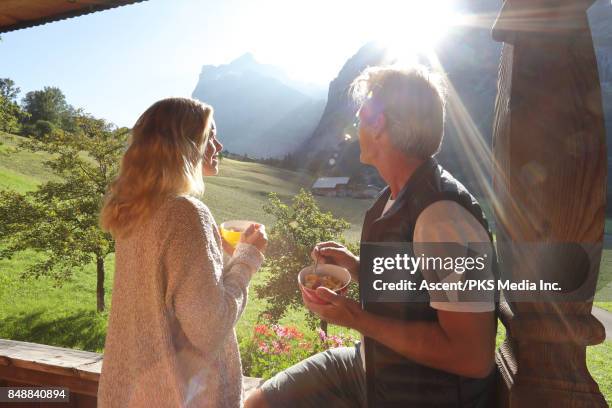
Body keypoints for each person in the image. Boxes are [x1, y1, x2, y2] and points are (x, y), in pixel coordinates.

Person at [246, 66, 497, 408]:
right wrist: (360, 267)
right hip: (375, 368)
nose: (355, 128)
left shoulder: (443, 218)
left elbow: (471, 355)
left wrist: (355, 318)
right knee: (258, 403)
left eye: (362, 116)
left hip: (418, 394)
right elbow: (419, 287)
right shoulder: (398, 195)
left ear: (379, 126)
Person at [98, 97, 268, 408]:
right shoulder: (185, 213)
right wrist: (247, 258)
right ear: (184, 145)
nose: (218, 145)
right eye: (210, 135)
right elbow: (209, 328)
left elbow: (168, 296)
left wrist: (219, 255)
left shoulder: (134, 211)